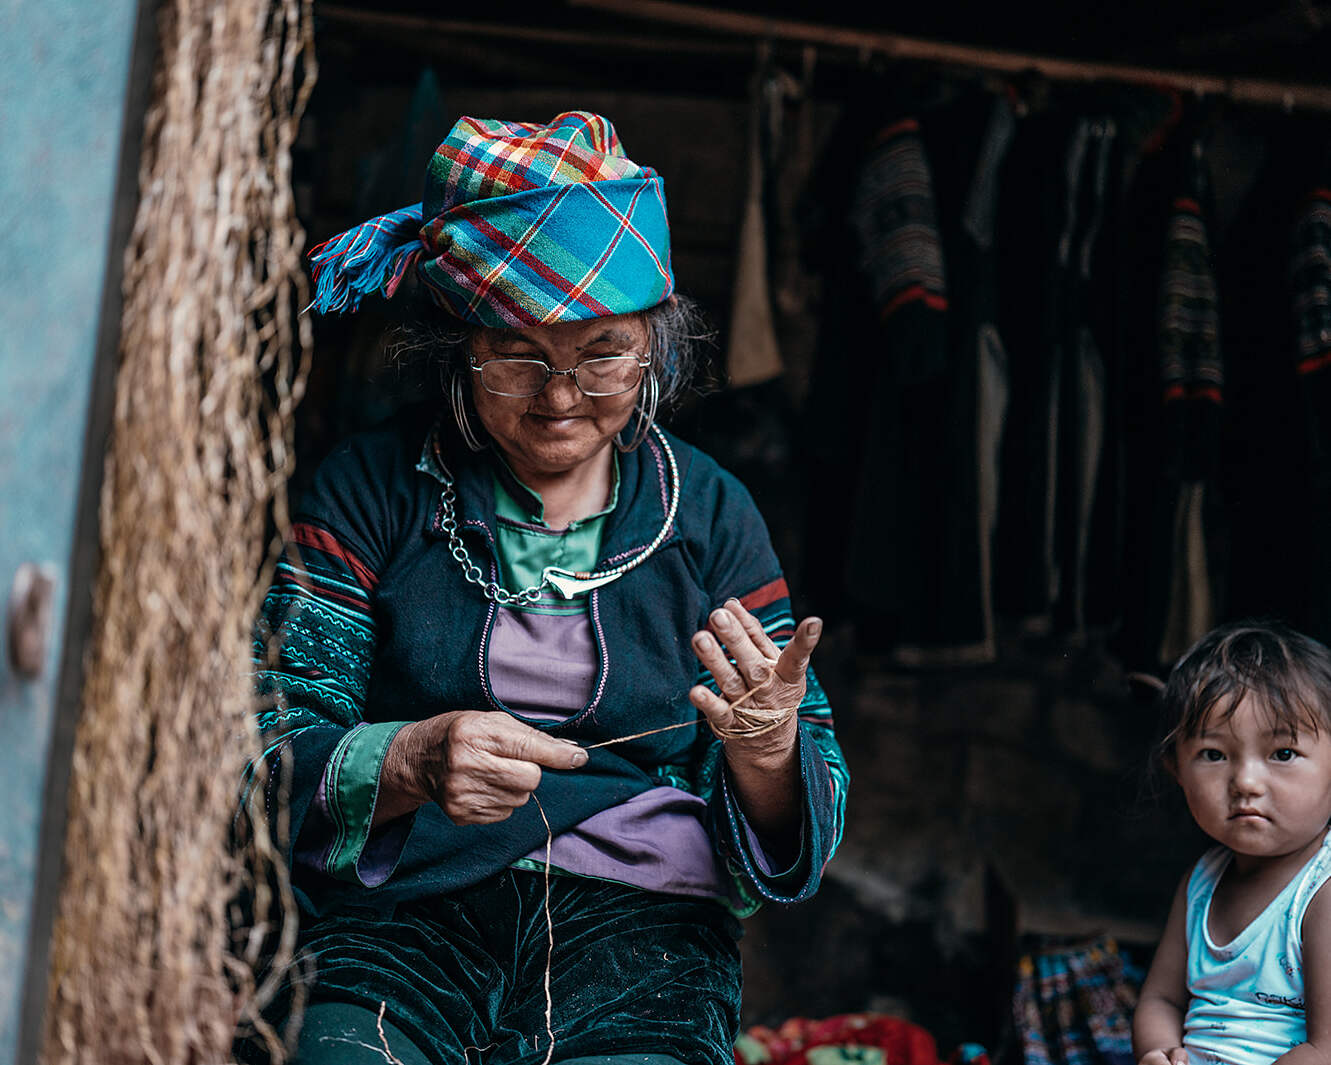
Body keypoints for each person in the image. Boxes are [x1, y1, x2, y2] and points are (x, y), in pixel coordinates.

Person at [248, 112, 848, 1065]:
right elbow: (260, 742)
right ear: (458, 347)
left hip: (644, 928)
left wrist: (769, 751)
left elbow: (801, 793)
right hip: (404, 911)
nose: (561, 395)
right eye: (517, 353)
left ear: (655, 344)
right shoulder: (369, 489)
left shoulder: (712, 516)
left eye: (601, 352)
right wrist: (407, 757)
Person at [1132, 620, 1331, 1065]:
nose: (1245, 781)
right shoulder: (1201, 883)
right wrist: (1157, 1052)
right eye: (1214, 754)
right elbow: (1161, 1001)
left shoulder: (1321, 891)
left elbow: (1327, 1049)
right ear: (1176, 769)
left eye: (1283, 753)